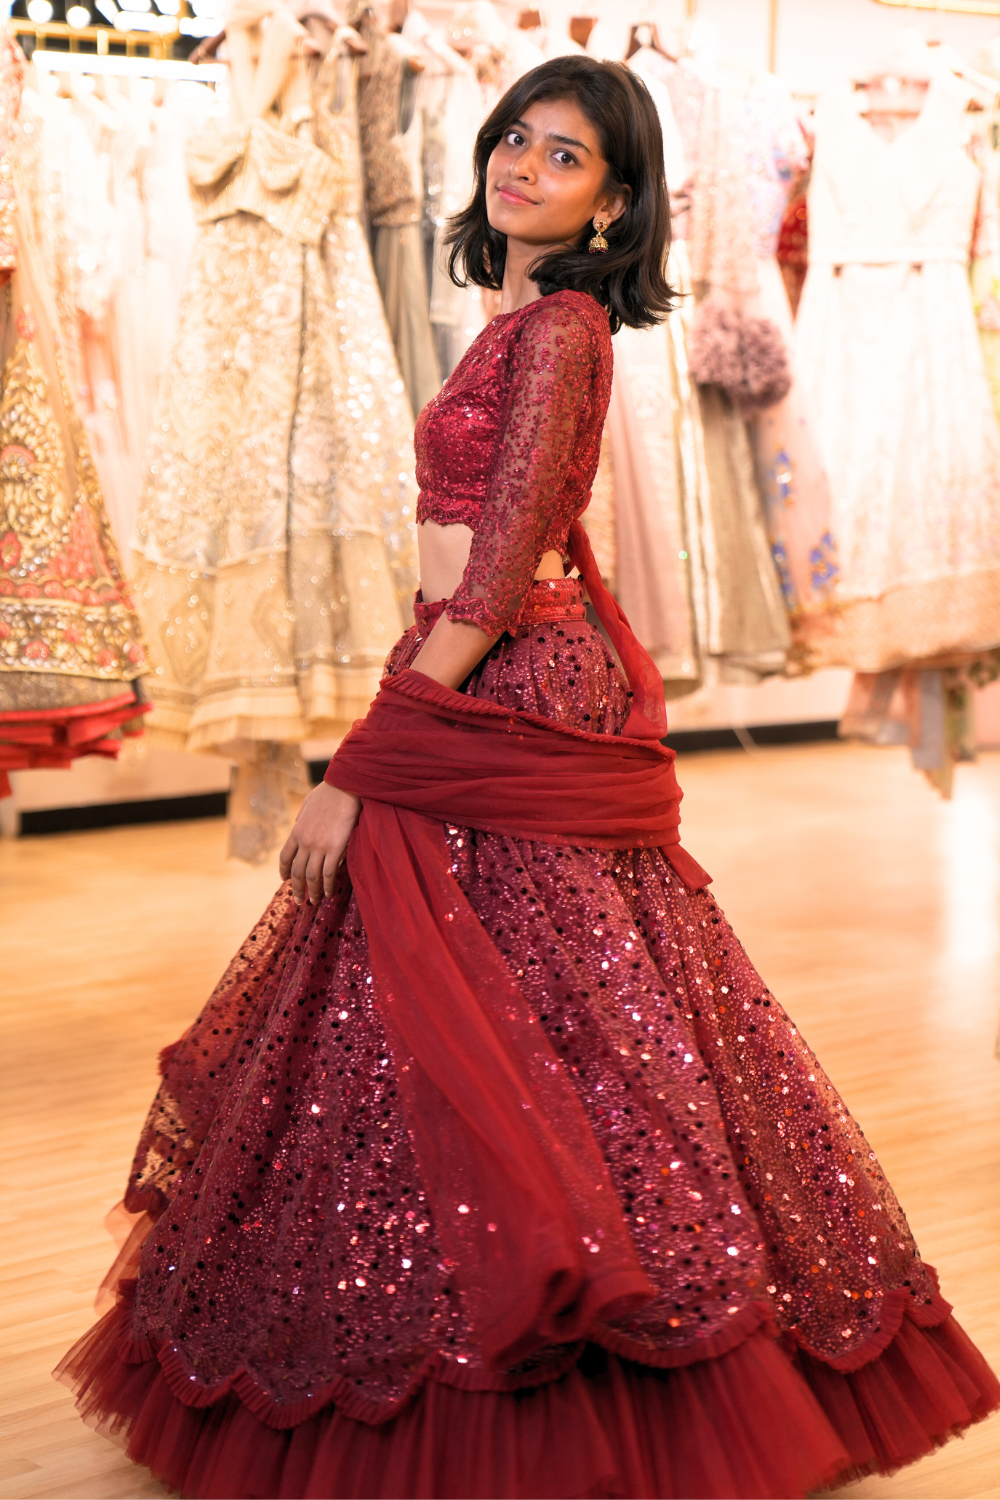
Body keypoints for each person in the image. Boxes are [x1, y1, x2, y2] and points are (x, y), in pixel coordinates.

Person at [57, 56, 998, 1500]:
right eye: (515, 138)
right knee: (486, 1018)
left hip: (498, 685)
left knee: (572, 1020)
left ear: (614, 204)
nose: (520, 165)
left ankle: (602, 1347)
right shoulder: (514, 316)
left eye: (563, 158)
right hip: (475, 671)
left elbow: (499, 574)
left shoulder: (560, 331)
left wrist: (364, 759)